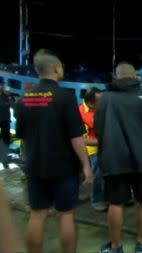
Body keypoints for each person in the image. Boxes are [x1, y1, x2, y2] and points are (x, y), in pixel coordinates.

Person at [15, 49, 93, 253]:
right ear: (57, 69)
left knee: (37, 214)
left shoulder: (24, 98)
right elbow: (76, 137)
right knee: (66, 214)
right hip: (63, 167)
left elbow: (21, 135)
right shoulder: (65, 97)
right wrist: (86, 166)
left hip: (35, 165)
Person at [95, 62, 142, 253]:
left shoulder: (104, 98)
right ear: (135, 76)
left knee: (115, 203)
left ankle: (116, 247)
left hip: (114, 158)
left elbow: (98, 128)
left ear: (116, 76)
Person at [78, 87, 106, 211]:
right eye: (100, 101)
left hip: (105, 146)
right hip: (93, 150)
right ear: (91, 103)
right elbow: (82, 139)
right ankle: (97, 199)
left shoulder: (100, 108)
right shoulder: (81, 114)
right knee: (97, 174)